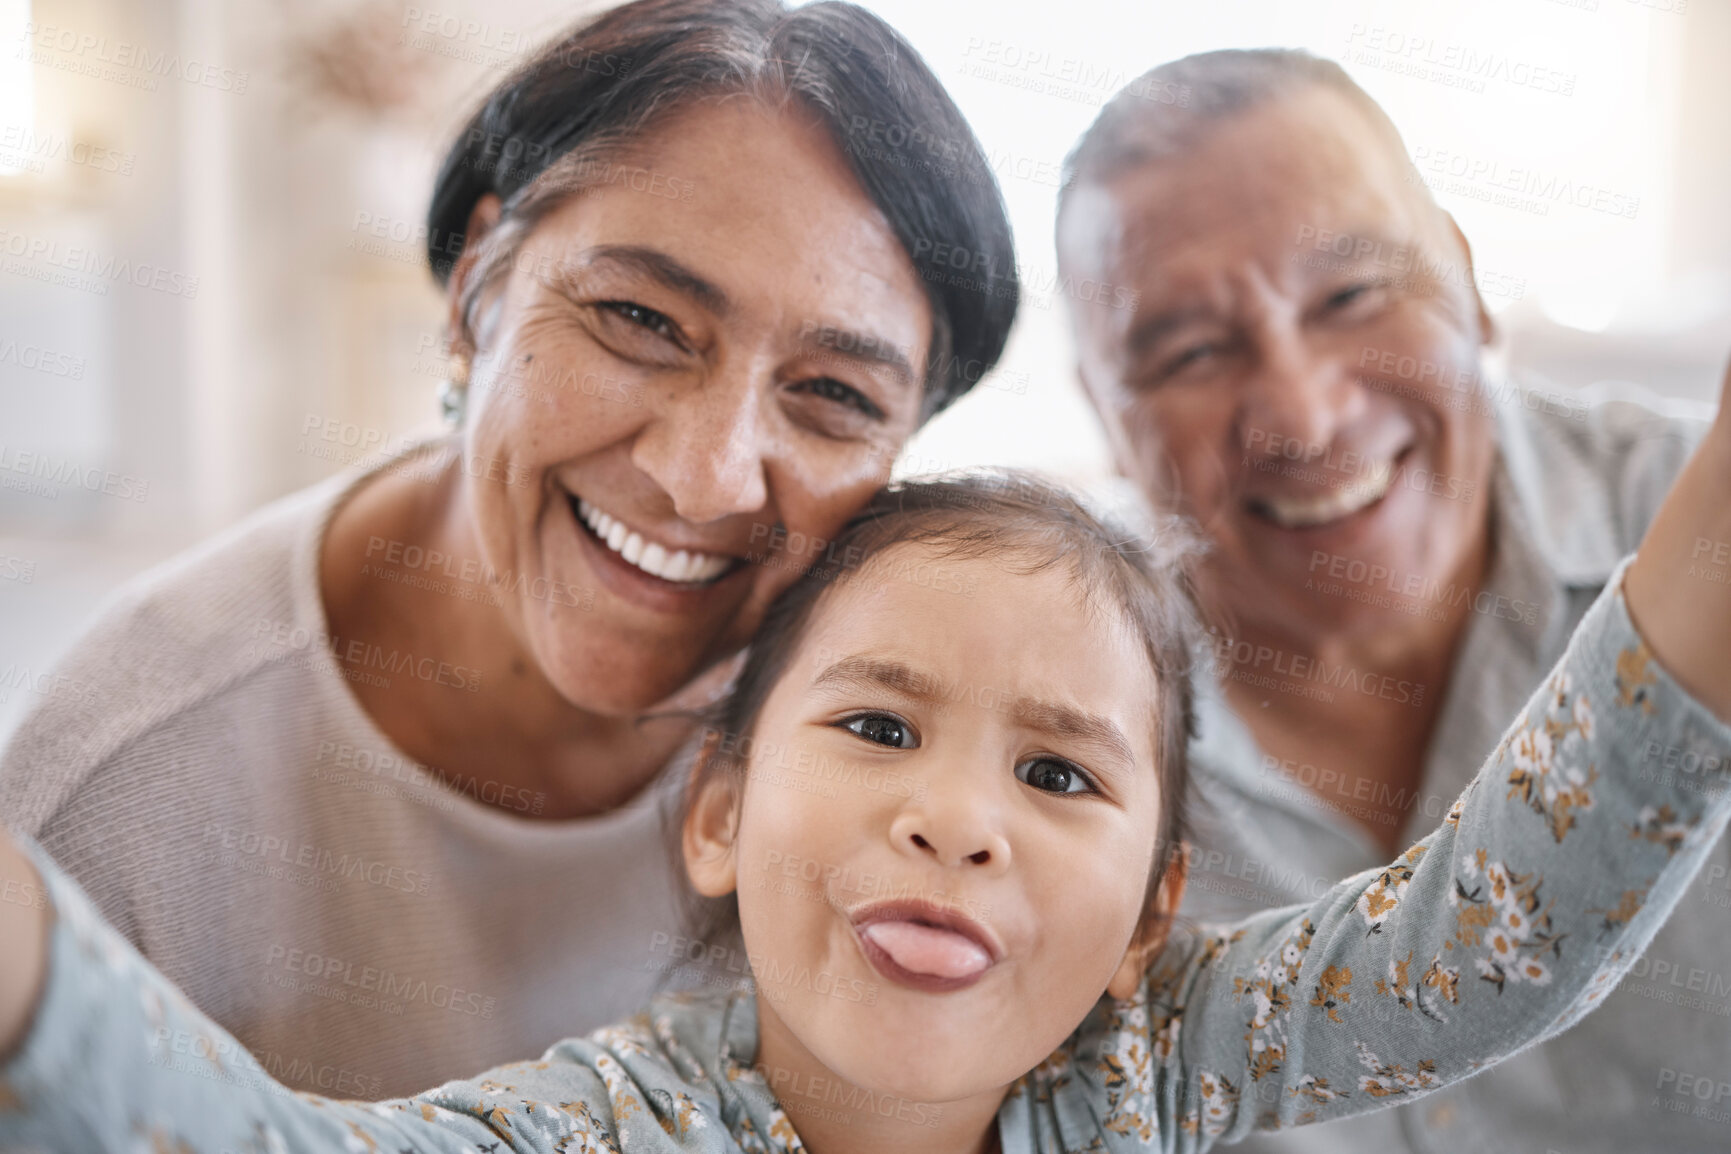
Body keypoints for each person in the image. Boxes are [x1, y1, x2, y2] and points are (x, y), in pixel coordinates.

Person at [3, 456, 1731, 1154]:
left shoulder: (1157, 1058)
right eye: (880, 724)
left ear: (1150, 908)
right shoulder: (614, 1127)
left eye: (1058, 771)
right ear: (716, 814)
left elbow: (1503, 925)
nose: (959, 818)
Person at [0, 0, 1018, 1099]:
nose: (705, 475)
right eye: (641, 318)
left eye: (832, 393)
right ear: (480, 282)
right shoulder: (117, 800)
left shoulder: (929, 771)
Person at [1056, 49, 1726, 1152]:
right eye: (1189, 351)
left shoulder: (1700, 532)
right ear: (1101, 408)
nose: (1307, 419)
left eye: (1356, 294)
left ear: (1466, 278)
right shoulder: (1040, 702)